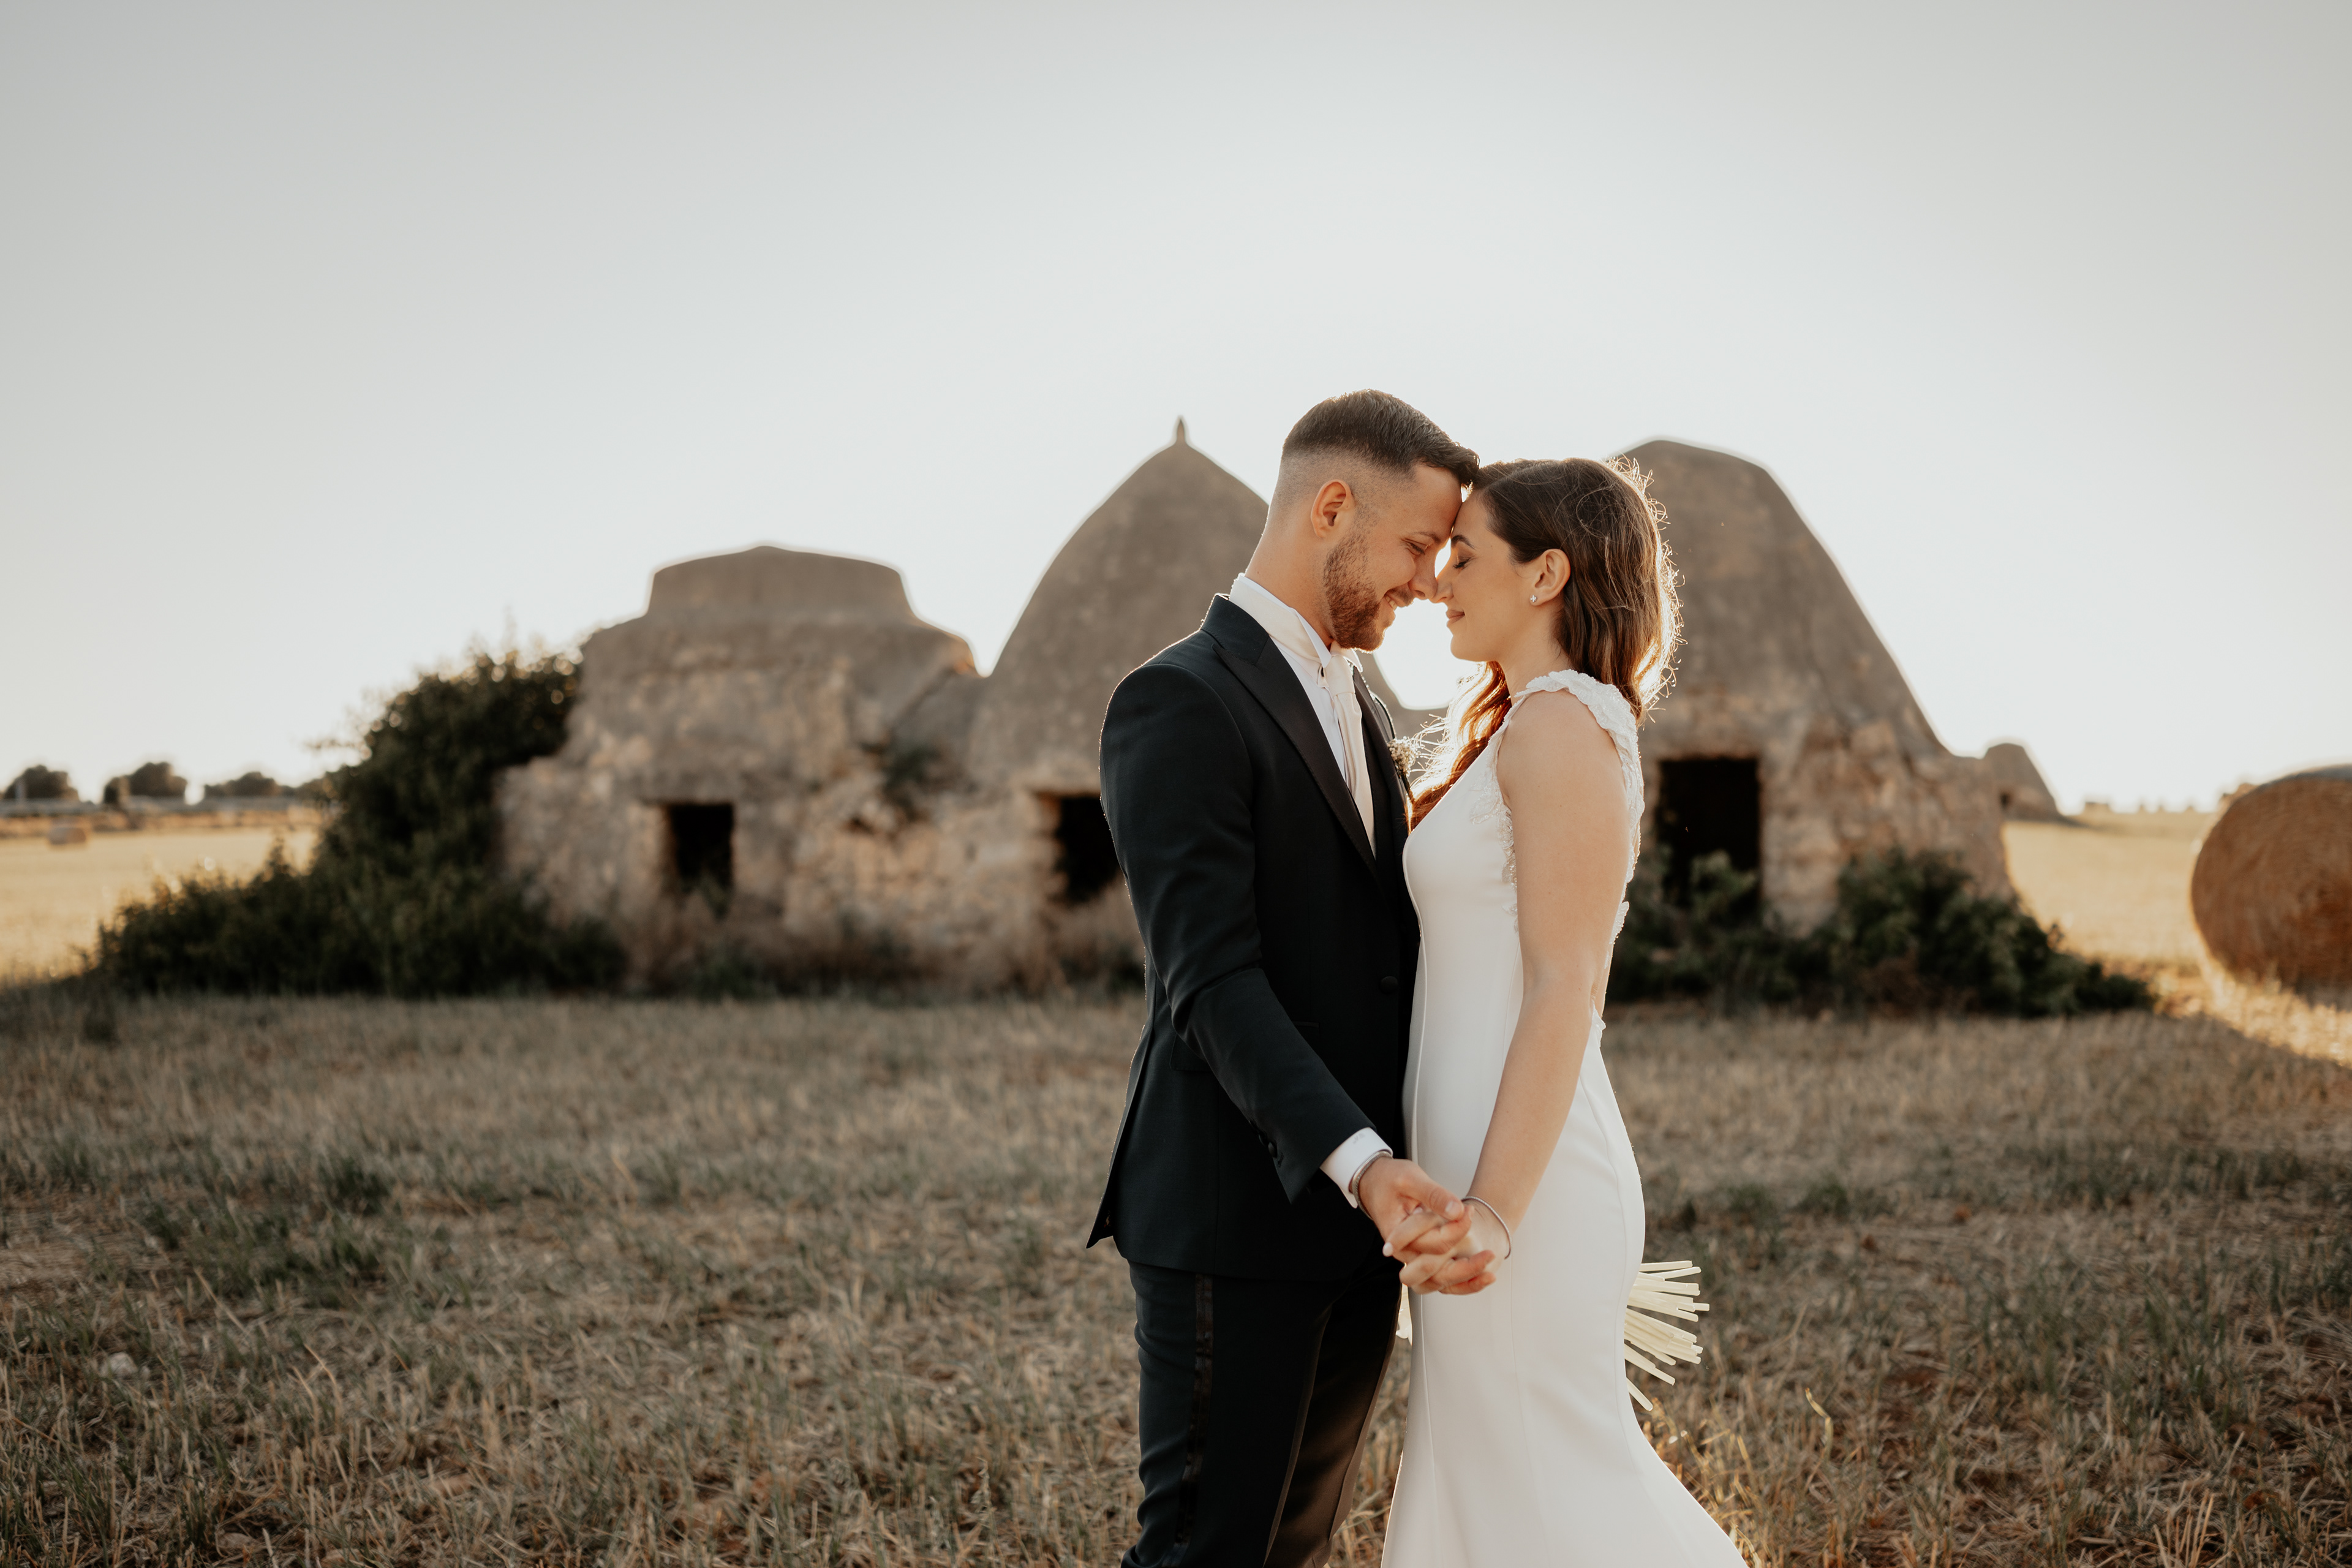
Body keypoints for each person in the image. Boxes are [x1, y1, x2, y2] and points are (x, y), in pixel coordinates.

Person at [1090, 390, 1494, 1567]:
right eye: (1418, 545)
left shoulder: (1358, 700)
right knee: (1206, 1554)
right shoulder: (1178, 700)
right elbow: (1211, 983)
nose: (1429, 581)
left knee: (1294, 1550)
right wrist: (1362, 1163)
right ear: (1332, 507)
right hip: (1235, 1214)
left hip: (1362, 1228)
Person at [1379, 458, 1746, 1565]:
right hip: (1472, 1165)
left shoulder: (1560, 724)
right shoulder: (1524, 723)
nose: (1439, 580)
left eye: (1465, 555)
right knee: (1492, 1491)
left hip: (1523, 1185)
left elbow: (1566, 985)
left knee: (1553, 1498)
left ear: (1546, 576)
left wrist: (1496, 1208)